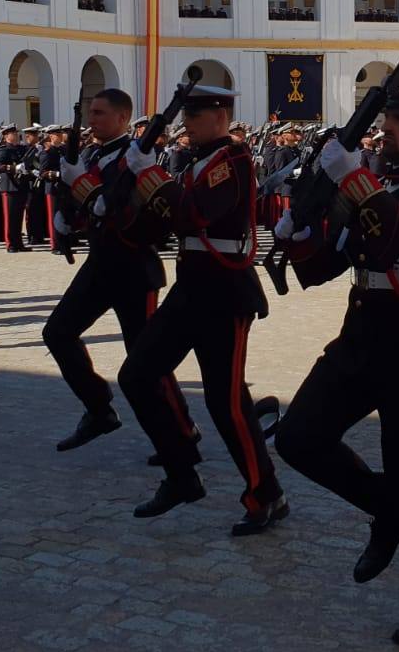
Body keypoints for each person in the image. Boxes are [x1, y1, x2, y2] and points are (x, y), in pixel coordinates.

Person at [273, 78, 399, 647]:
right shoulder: (379, 180)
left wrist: (353, 181)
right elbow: (329, 266)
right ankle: (386, 511)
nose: (385, 128)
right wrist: (298, 234)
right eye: (386, 118)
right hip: (360, 341)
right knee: (298, 438)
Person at [116, 85, 287, 534]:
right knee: (136, 373)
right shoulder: (196, 163)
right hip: (192, 286)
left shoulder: (232, 161)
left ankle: (265, 494)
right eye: (185, 113)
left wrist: (150, 177)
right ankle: (180, 473)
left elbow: (193, 215)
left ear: (220, 116)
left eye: (195, 113)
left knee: (225, 401)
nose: (185, 122)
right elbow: (166, 220)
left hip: (224, 290)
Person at [43, 89, 194, 452]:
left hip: (133, 267)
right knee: (58, 333)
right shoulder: (93, 153)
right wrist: (67, 216)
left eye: (99, 113)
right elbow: (88, 205)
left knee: (145, 356)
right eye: (90, 113)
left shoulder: (137, 156)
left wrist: (81, 185)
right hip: (101, 263)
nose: (91, 120)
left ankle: (182, 430)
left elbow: (116, 206)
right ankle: (99, 409)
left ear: (123, 118)